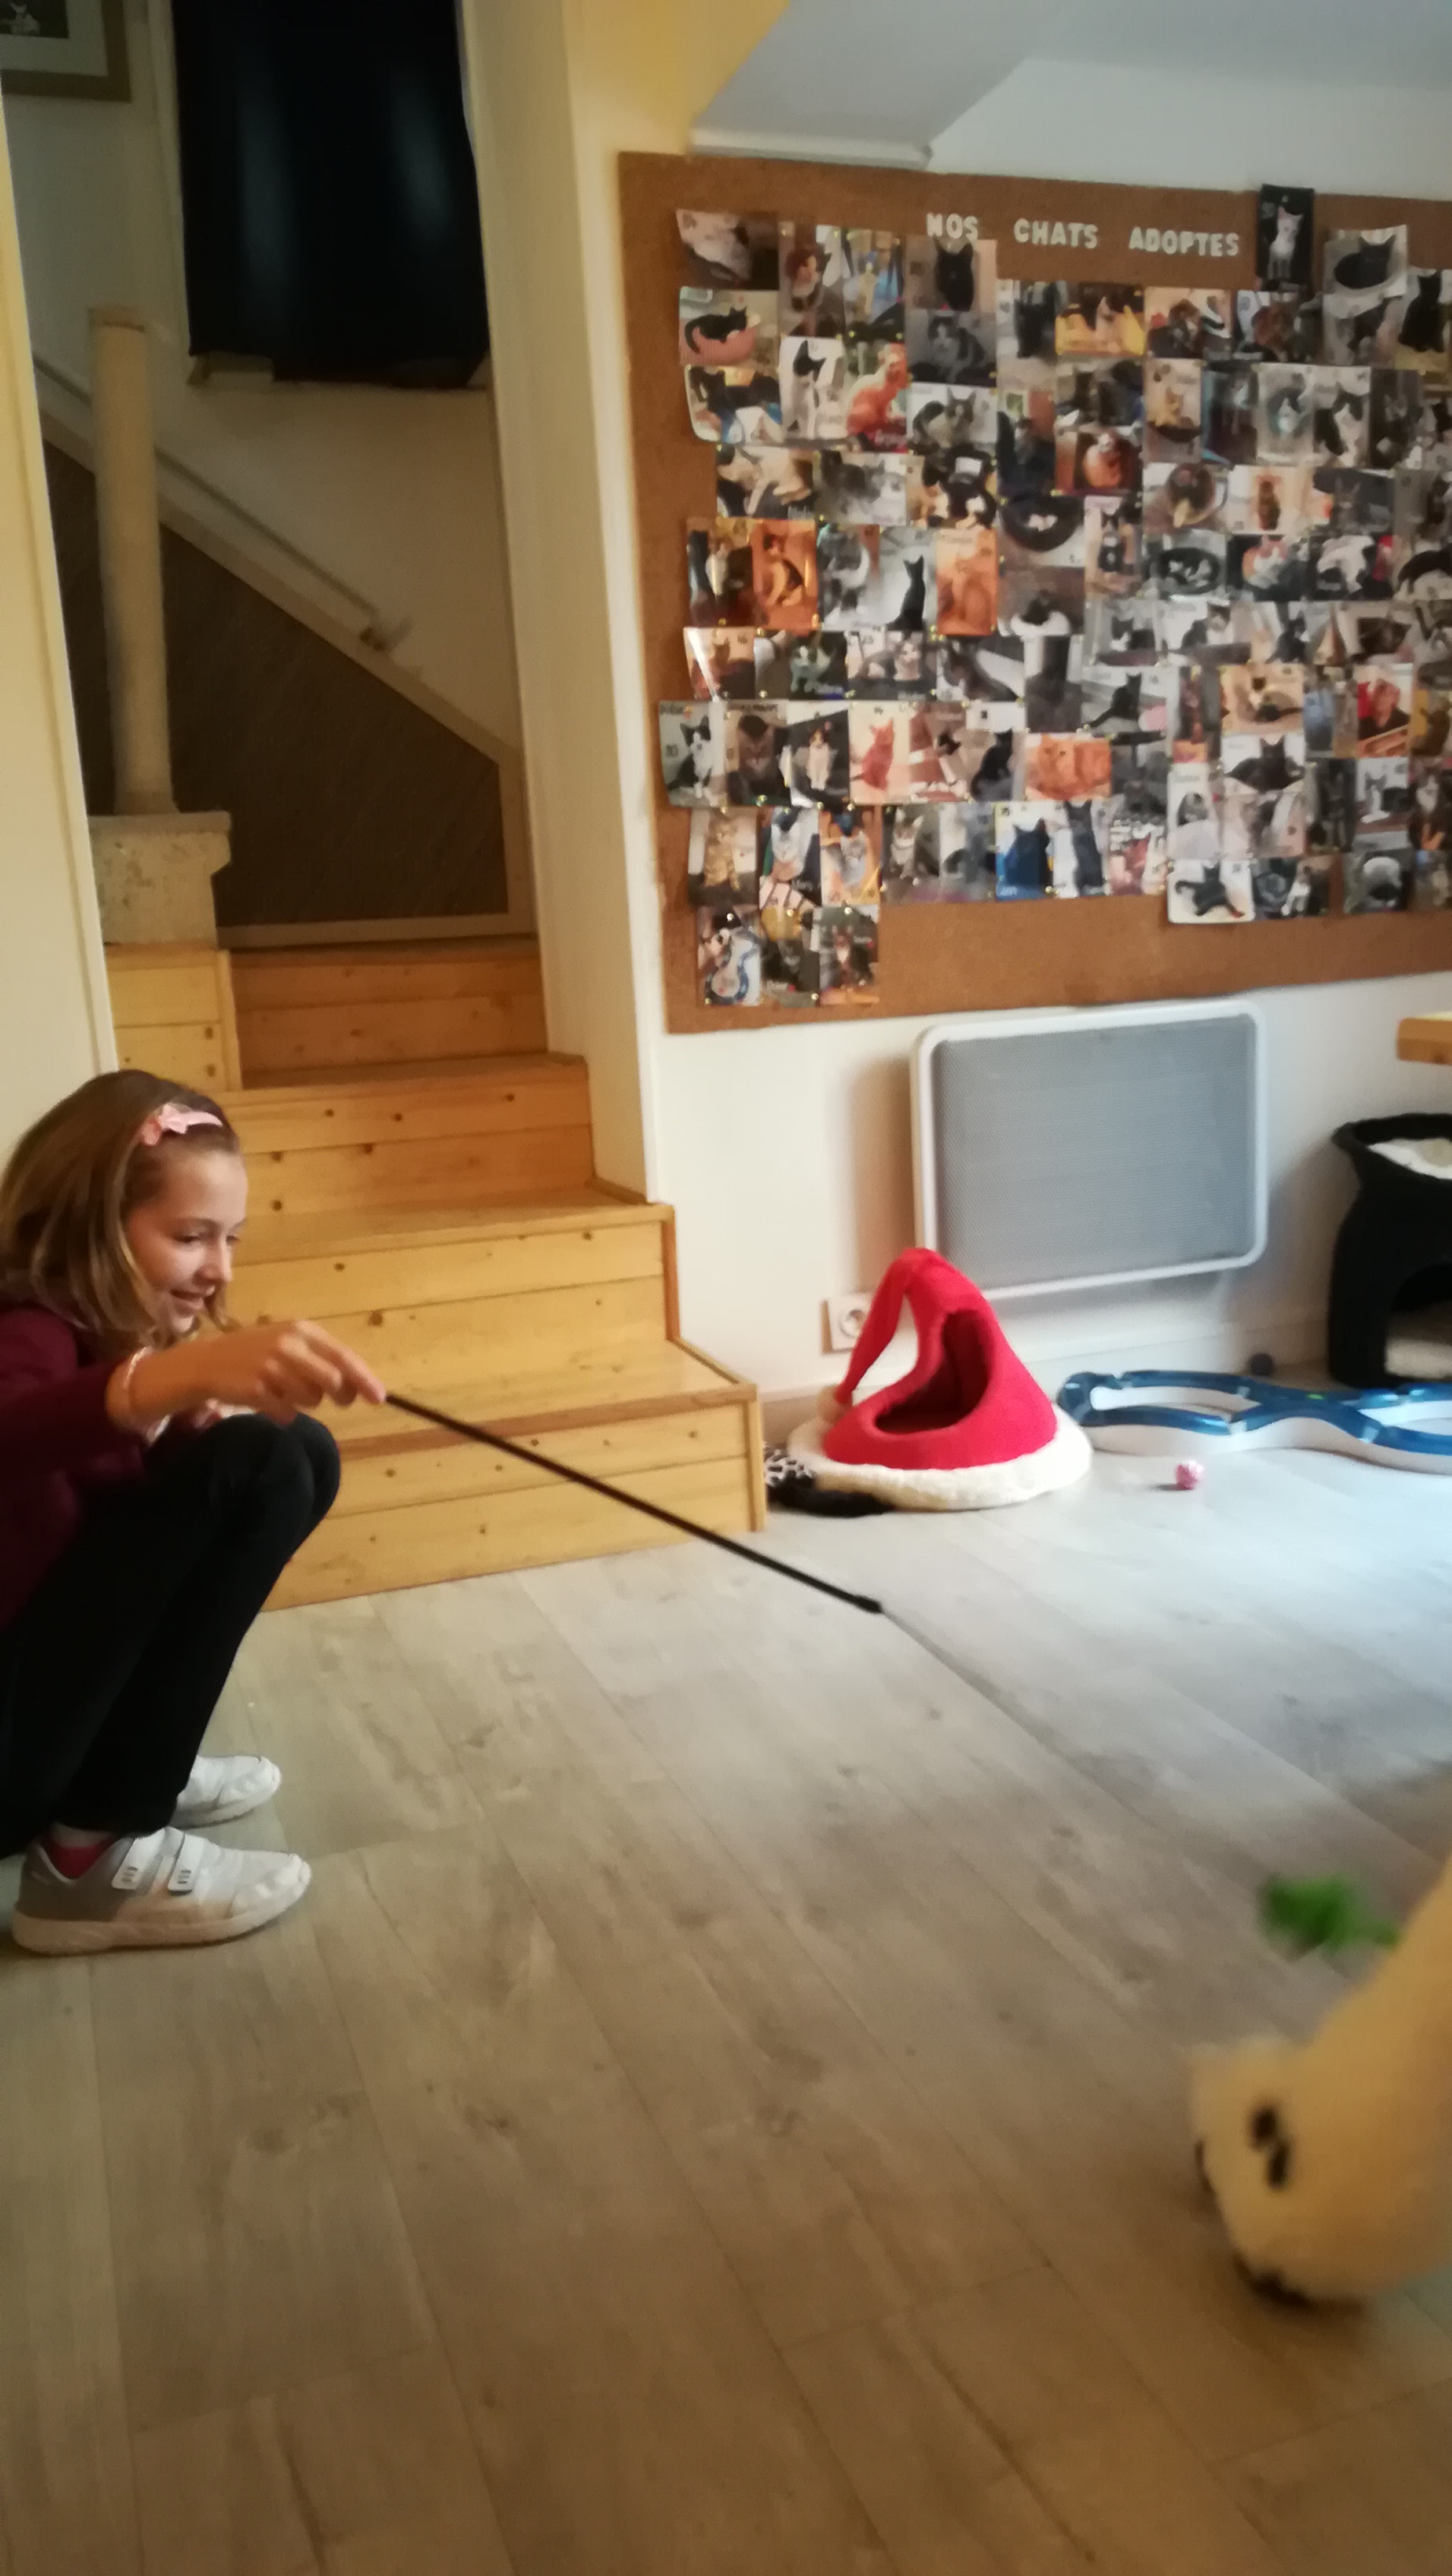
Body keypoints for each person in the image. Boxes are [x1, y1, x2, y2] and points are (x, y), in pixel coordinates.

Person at [0, 1072, 384, 1954]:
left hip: (30, 1723)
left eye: (230, 1239)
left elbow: (88, 1529)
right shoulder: (23, 1329)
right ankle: (86, 1859)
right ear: (94, 1224)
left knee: (289, 1452)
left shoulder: (96, 1335)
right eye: (190, 1237)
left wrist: (175, 1437)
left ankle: (120, 1769)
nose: (220, 1271)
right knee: (262, 1462)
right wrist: (165, 1381)